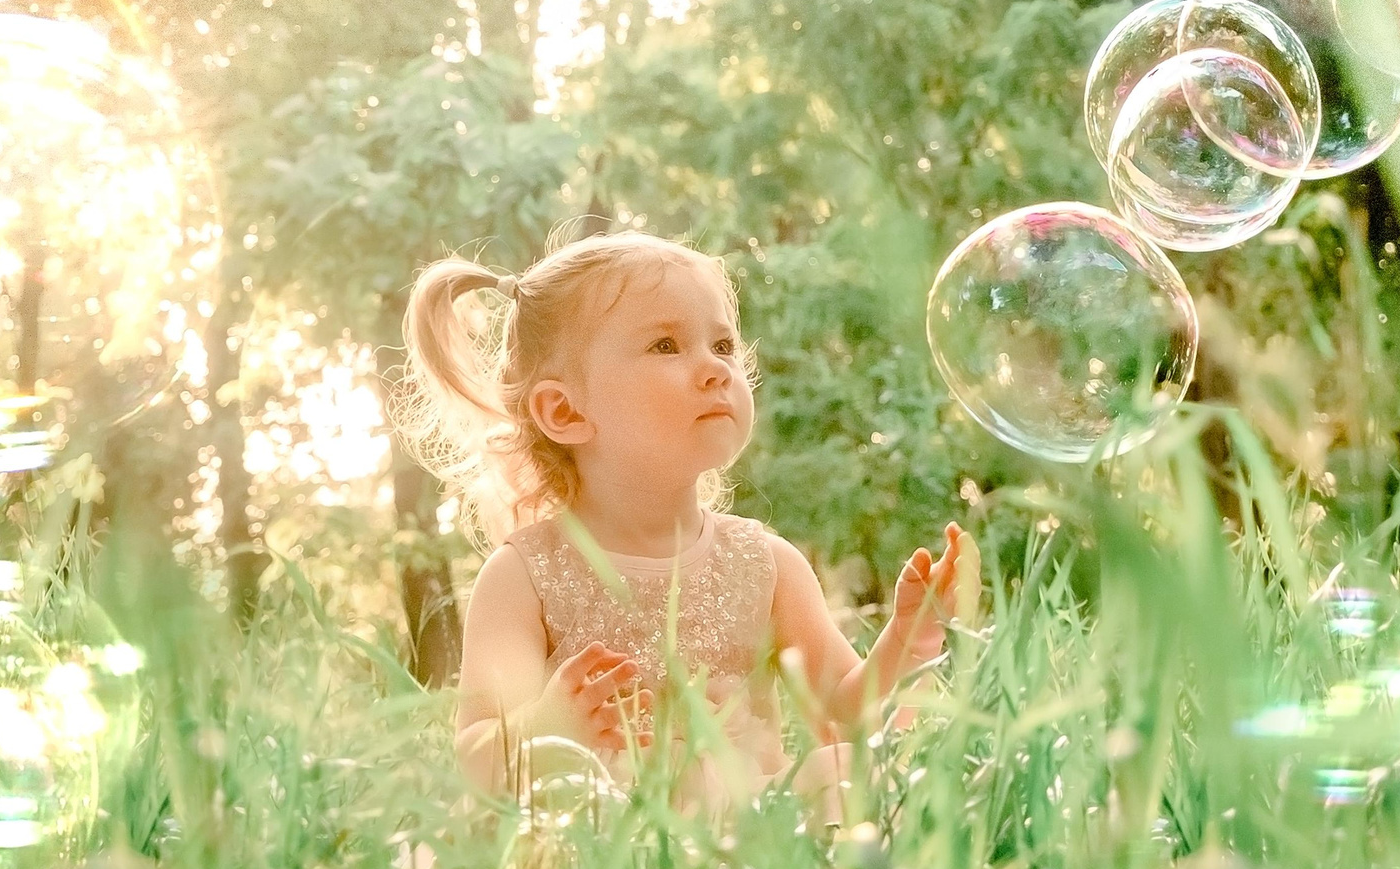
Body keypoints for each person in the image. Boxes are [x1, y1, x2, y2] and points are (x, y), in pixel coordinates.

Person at [397, 227, 971, 824]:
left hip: (751, 832)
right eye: (667, 346)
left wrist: (910, 634)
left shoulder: (765, 564)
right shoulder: (526, 575)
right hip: (605, 839)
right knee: (544, 811)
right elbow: (475, 761)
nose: (716, 369)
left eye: (722, 345)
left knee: (849, 769)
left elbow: (849, 716)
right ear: (565, 410)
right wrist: (548, 729)